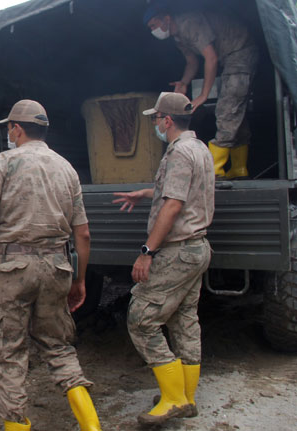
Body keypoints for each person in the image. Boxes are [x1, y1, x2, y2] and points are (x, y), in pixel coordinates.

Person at [0, 100, 101, 431]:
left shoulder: (4, 163)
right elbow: (84, 234)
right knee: (60, 348)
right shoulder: (66, 168)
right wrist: (79, 281)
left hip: (14, 269)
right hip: (57, 267)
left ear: (16, 129)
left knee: (7, 353)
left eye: (9, 127)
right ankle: (93, 427)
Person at [112, 92, 214, 425]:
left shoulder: (180, 152)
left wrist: (147, 252)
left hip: (177, 251)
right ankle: (187, 396)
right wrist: (145, 193)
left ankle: (172, 399)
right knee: (184, 321)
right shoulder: (199, 148)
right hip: (197, 247)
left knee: (141, 320)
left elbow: (174, 205)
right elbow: (182, 191)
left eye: (155, 119)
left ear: (166, 121)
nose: (154, 124)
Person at [144, 2, 258, 180]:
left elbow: (210, 58)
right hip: (230, 56)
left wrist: (203, 95)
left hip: (240, 51)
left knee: (227, 110)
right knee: (236, 114)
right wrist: (183, 82)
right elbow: (192, 62)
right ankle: (239, 168)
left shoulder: (189, 24)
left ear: (166, 19)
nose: (153, 30)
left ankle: (214, 170)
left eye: (154, 25)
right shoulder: (178, 38)